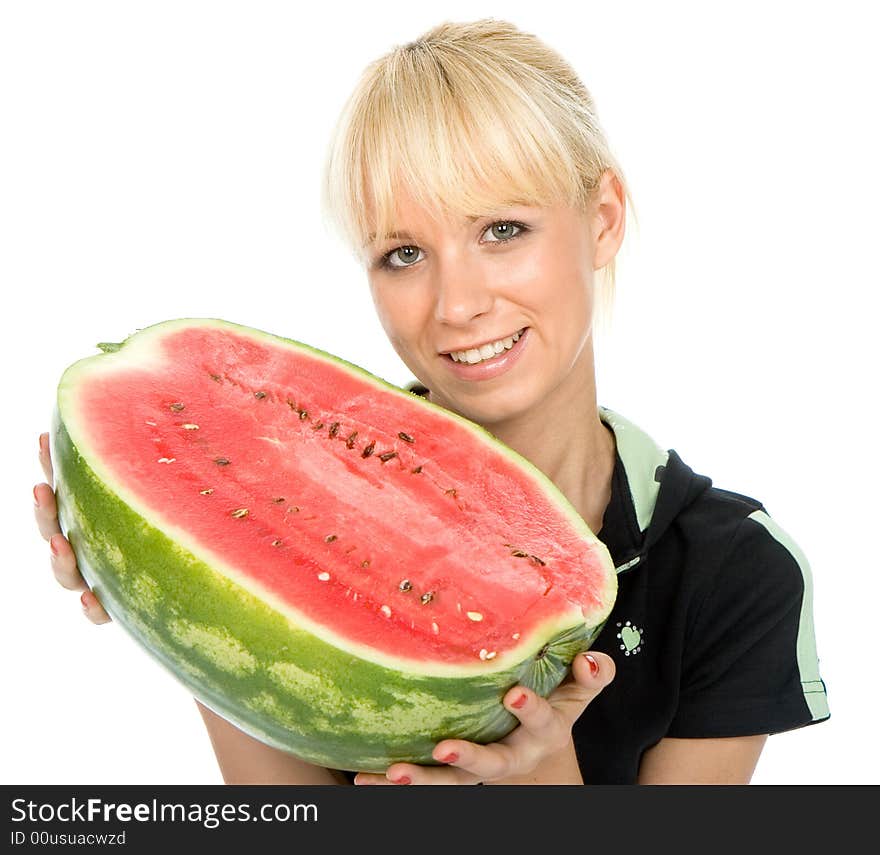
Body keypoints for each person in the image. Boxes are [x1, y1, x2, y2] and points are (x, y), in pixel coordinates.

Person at [33, 18, 829, 785]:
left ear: (602, 220)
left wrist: (539, 773)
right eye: (404, 253)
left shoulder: (737, 573)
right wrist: (184, 595)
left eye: (502, 229)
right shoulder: (299, 473)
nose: (455, 303)